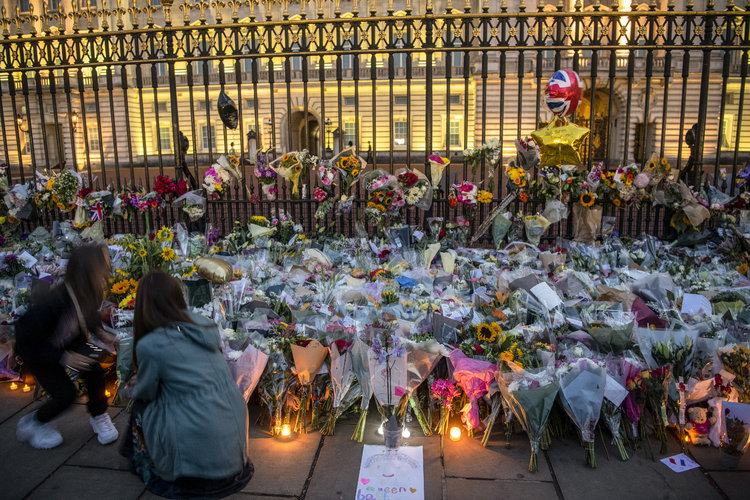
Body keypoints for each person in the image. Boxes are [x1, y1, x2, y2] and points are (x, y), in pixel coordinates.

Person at [122, 270, 253, 499]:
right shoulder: (202, 325)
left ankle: (139, 461)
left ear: (142, 305)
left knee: (140, 409)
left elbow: (146, 391)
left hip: (194, 465)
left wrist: (127, 390)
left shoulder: (151, 343)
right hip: (234, 446)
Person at [15, 243, 119, 449]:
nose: (106, 273)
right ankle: (35, 422)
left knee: (94, 370)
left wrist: (101, 334)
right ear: (87, 271)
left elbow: (88, 316)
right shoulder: (53, 301)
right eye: (101, 268)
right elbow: (27, 337)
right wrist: (63, 357)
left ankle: (99, 414)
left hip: (71, 342)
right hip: (41, 352)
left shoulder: (91, 292)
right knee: (65, 394)